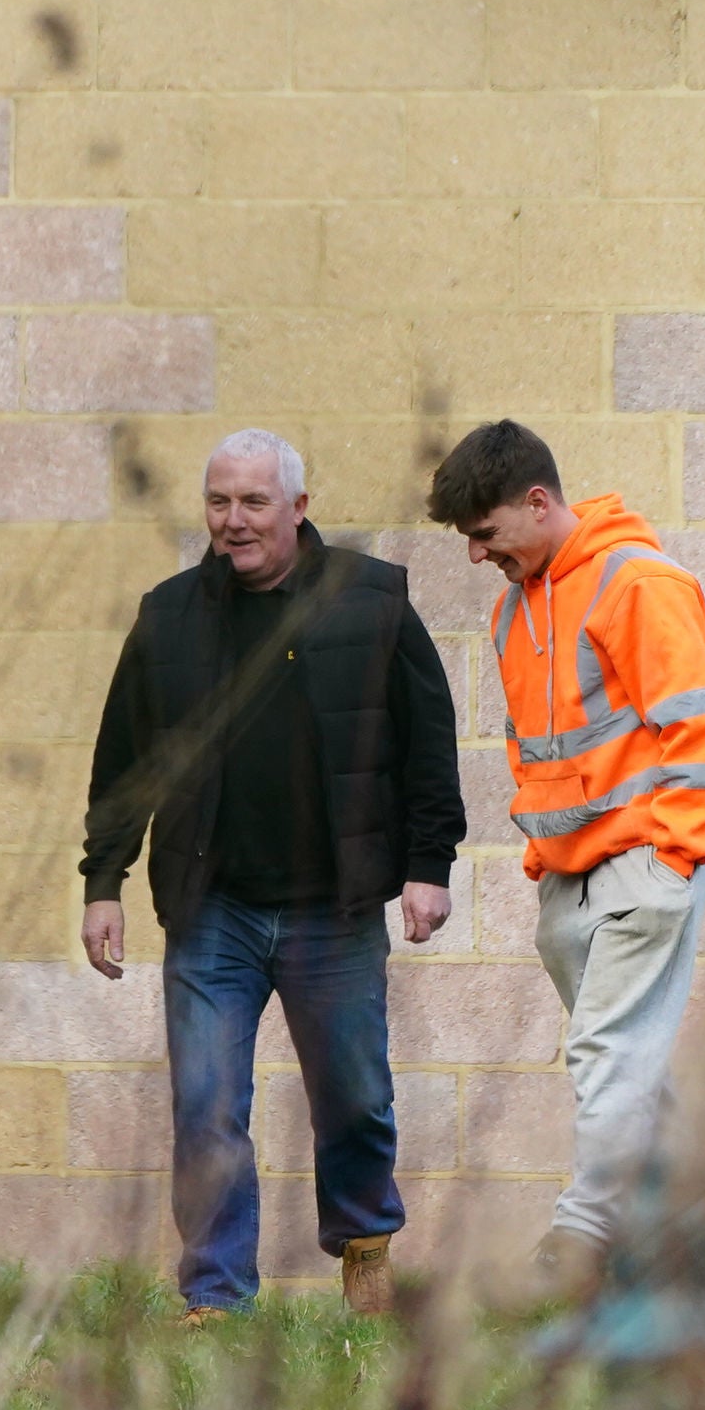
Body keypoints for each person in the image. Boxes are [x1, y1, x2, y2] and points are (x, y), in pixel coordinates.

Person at [79, 429, 464, 1324]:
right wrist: (105, 878)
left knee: (356, 1097)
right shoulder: (168, 617)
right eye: (219, 501)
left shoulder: (372, 601)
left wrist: (426, 865)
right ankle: (216, 1293)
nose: (233, 520)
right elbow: (122, 759)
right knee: (207, 1102)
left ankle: (365, 1244)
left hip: (334, 908)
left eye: (254, 502)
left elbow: (428, 742)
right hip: (213, 911)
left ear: (298, 507)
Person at [424, 419, 705, 1307]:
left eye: (485, 533)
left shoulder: (637, 581)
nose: (478, 556)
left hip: (648, 859)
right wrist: (544, 861)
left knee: (605, 1051)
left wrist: (673, 856)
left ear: (536, 501)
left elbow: (700, 730)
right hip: (570, 877)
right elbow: (537, 752)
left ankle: (582, 1239)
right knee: (628, 1065)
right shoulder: (512, 609)